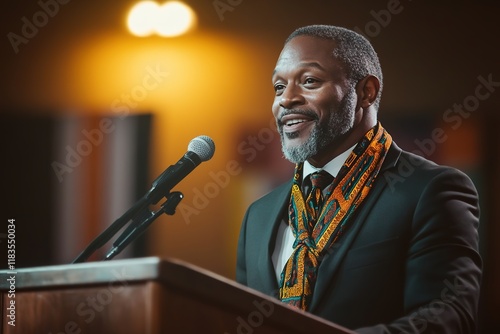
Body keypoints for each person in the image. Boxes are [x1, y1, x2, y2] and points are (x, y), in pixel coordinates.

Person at [235, 25, 482, 333]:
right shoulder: (258, 216)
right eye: (279, 87)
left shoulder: (431, 191)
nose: (286, 100)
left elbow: (448, 317)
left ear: (366, 92)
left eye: (309, 81)